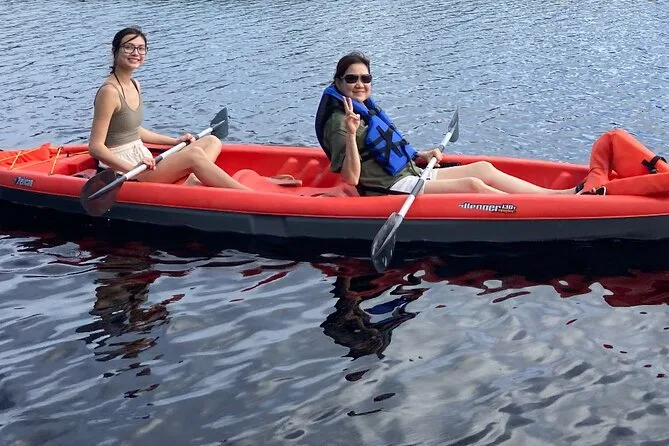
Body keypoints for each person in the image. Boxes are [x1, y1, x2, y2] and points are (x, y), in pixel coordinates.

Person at [315, 52, 577, 196]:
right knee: (472, 185)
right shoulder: (340, 123)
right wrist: (351, 134)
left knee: (483, 168)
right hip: (386, 187)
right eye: (352, 79)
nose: (360, 84)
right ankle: (538, 211)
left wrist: (421, 155)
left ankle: (555, 197)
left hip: (408, 173)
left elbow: (385, 149)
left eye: (365, 78)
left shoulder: (364, 110)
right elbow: (351, 178)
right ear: (338, 82)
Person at [88, 27, 250, 190]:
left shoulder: (135, 84)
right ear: (115, 51)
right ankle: (247, 195)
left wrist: (175, 141)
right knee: (194, 155)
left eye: (141, 48)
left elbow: (133, 130)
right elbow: (96, 147)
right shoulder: (109, 92)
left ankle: (193, 180)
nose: (136, 53)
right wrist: (133, 170)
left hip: (143, 159)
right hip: (125, 169)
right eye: (128, 47)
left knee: (211, 141)